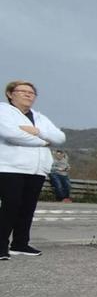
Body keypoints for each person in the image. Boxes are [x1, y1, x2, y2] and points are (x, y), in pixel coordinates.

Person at [0, 80, 66, 260]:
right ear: (10, 94)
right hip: (11, 167)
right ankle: (1, 245)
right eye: (23, 91)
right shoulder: (4, 111)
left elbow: (59, 137)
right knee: (10, 206)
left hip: (37, 169)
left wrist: (36, 132)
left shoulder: (39, 117)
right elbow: (11, 135)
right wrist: (44, 141)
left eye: (32, 93)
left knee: (27, 208)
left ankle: (20, 243)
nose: (28, 95)